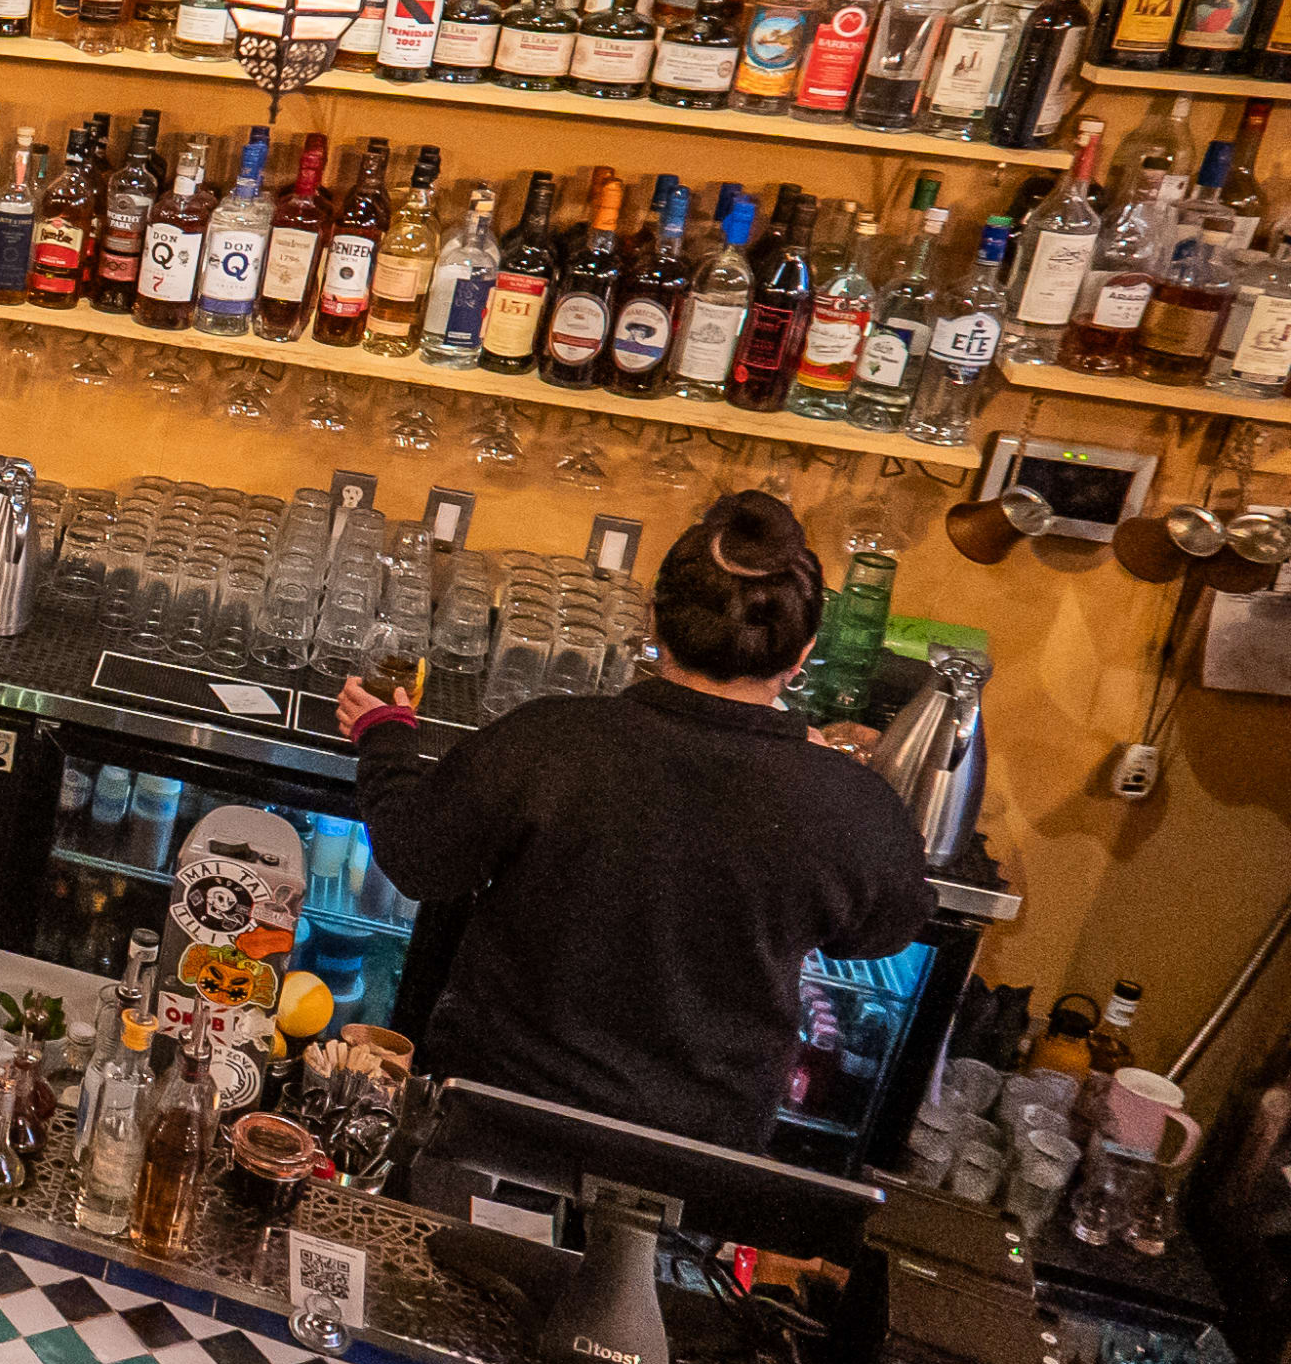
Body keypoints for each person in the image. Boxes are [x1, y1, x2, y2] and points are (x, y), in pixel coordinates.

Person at [336, 491, 934, 1151]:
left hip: (497, 1119)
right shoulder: (846, 805)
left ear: (652, 621)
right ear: (800, 655)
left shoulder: (551, 741)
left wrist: (385, 739)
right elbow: (883, 930)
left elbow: (418, 857)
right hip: (696, 1156)